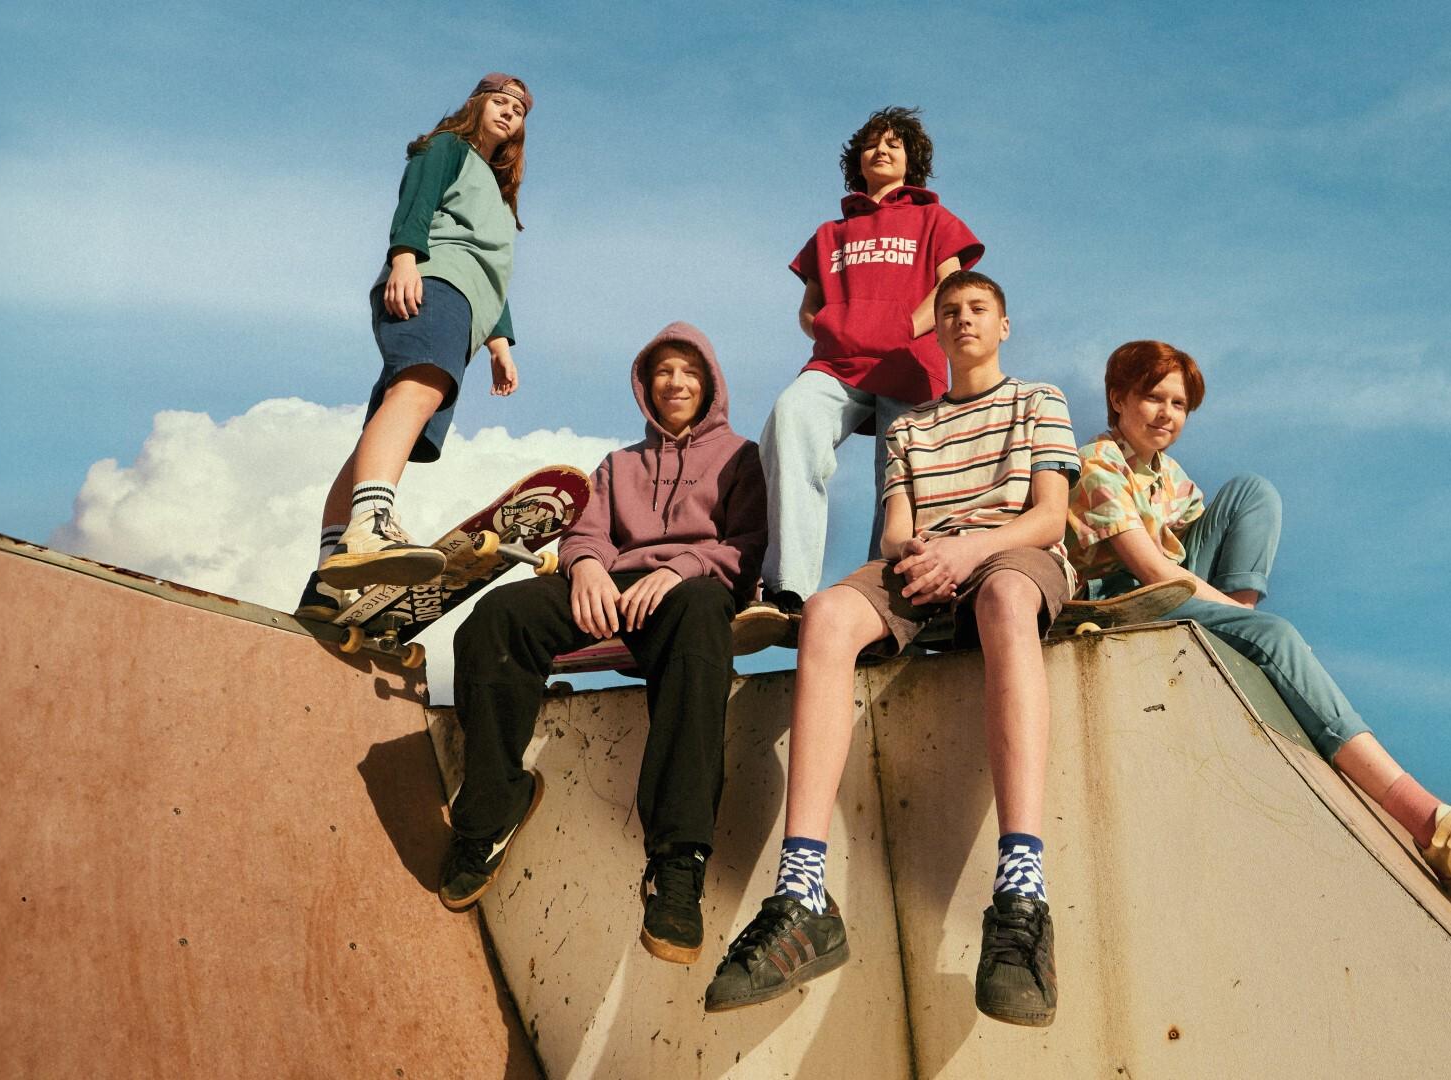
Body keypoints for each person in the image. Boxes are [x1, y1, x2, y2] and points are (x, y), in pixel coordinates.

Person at [707, 271, 1073, 1028]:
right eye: (950, 311)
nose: (963, 319)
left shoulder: (1040, 400)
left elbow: (1048, 517)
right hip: (925, 565)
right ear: (936, 330)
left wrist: (970, 551)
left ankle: (1021, 890)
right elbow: (899, 528)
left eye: (978, 309)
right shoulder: (910, 427)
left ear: (1003, 325)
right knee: (827, 614)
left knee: (1007, 598)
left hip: (1010, 554)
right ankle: (803, 891)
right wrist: (923, 554)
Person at [1065, 339, 1451, 896]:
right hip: (1125, 602)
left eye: (1179, 404)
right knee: (1276, 636)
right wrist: (1246, 623)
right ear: (1118, 398)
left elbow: (1197, 547)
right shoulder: (1097, 461)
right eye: (1154, 398)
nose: (1167, 414)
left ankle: (1239, 638)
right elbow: (1152, 571)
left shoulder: (1170, 477)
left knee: (1252, 491)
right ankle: (1435, 825)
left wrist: (1236, 614)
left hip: (1174, 589)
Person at [437, 323, 766, 967]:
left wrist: (682, 569)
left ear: (711, 385)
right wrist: (586, 565)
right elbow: (586, 531)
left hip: (690, 594)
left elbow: (748, 544)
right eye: (663, 372)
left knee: (703, 614)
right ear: (645, 386)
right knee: (498, 615)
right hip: (612, 590)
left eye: (689, 372)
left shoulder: (741, 458)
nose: (675, 382)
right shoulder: (618, 465)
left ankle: (677, 865)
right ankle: (491, 812)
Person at [297, 73, 533, 616]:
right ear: (476, 104)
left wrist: (500, 343)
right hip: (434, 282)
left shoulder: (500, 197)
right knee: (420, 390)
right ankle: (371, 525)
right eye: (499, 102)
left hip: (467, 306)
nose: (508, 112)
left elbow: (493, 273)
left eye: (518, 110)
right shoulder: (448, 148)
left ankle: (329, 579)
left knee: (389, 427)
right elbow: (417, 202)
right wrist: (405, 257)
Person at [752, 106, 985, 618]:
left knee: (899, 475)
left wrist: (906, 327)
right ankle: (788, 587)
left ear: (911, 161)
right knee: (791, 418)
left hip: (908, 360)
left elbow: (952, 283)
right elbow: (809, 308)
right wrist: (829, 328)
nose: (881, 150)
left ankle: (881, 596)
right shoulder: (830, 232)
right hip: (836, 363)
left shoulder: (934, 219)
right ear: (857, 159)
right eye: (872, 144)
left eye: (893, 144)